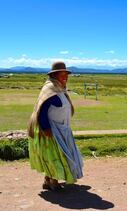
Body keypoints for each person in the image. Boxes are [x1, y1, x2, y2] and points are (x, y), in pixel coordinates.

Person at [28, 61, 83, 191]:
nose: (65, 77)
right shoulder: (49, 90)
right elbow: (41, 112)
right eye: (62, 74)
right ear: (54, 75)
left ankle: (48, 180)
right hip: (51, 130)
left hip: (62, 129)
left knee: (55, 156)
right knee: (56, 157)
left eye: (66, 75)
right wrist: (46, 129)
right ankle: (54, 182)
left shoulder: (60, 89)